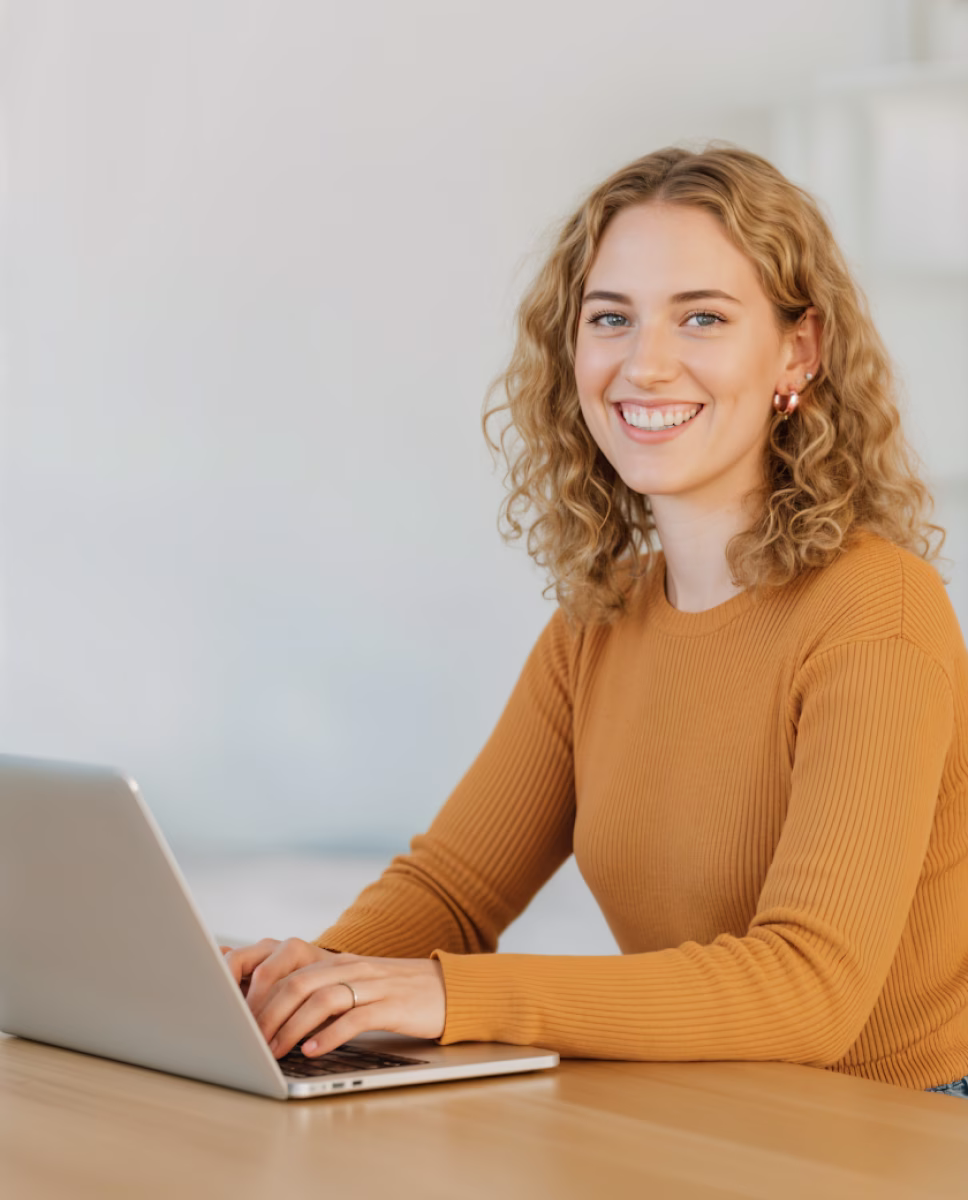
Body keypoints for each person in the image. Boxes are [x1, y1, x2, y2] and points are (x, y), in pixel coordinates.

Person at [224, 145, 968, 1095]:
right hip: (706, 1117)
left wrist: (452, 997)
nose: (644, 364)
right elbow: (452, 890)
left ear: (799, 350)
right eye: (611, 318)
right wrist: (302, 987)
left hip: (887, 1136)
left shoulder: (877, 611)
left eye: (702, 317)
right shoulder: (601, 620)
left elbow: (809, 992)